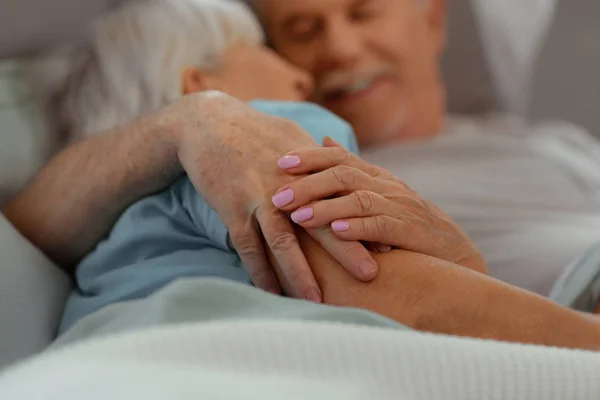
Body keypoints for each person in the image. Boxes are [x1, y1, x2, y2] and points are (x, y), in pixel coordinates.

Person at [9, 0, 592, 352]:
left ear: (433, 21)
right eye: (295, 36)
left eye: (363, 10)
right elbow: (379, 283)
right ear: (198, 87)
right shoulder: (250, 140)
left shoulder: (553, 143)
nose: (308, 68)